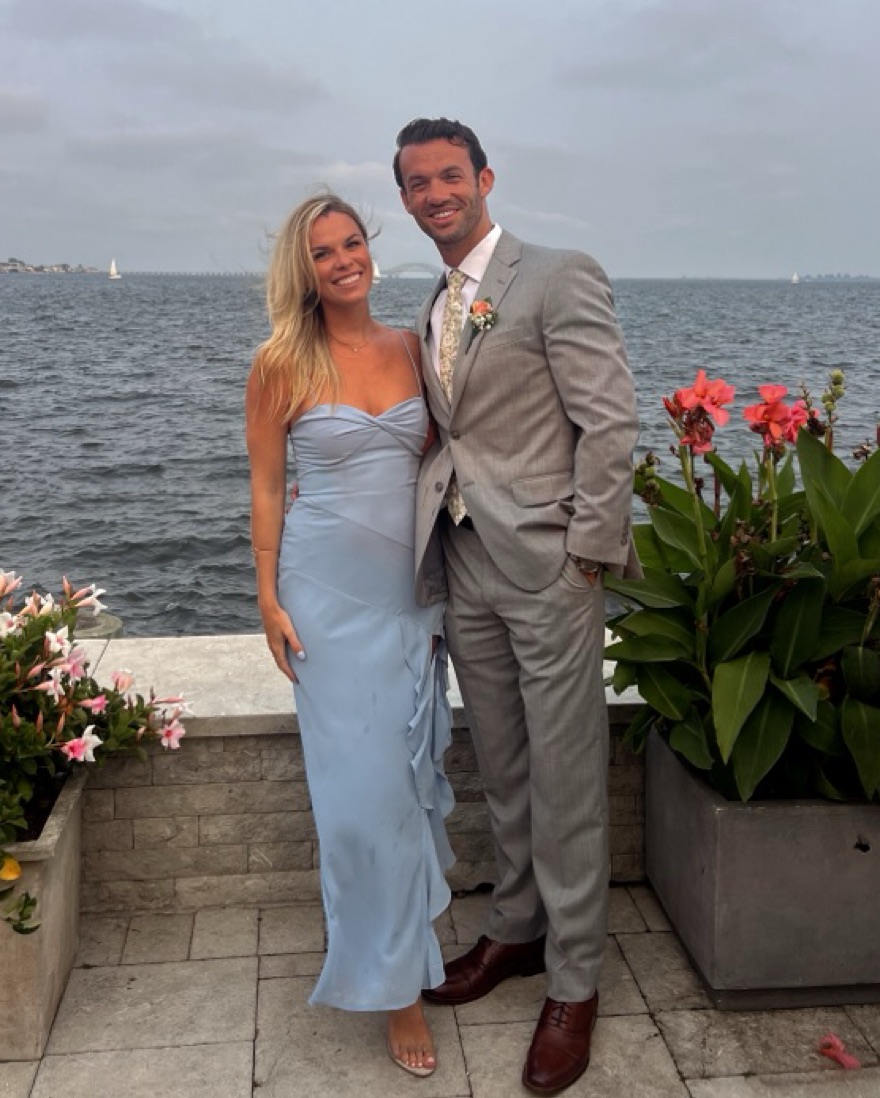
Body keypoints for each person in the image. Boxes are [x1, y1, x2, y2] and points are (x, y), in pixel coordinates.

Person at [393, 118, 641, 1096]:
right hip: (465, 561)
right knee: (502, 765)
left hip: (547, 570)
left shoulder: (556, 276)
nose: (436, 193)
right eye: (417, 183)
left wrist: (586, 555)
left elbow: (608, 419)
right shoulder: (432, 305)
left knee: (567, 777)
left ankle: (574, 982)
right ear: (405, 199)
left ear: (484, 178)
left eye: (449, 175)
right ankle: (516, 930)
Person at [245, 193, 455, 1078]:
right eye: (323, 253)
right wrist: (266, 598)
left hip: (410, 599)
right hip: (324, 602)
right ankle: (396, 989)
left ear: (370, 248)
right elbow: (266, 487)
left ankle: (402, 957)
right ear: (304, 272)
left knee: (403, 792)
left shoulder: (412, 348)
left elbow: (446, 459)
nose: (343, 261)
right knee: (358, 806)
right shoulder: (280, 364)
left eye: (352, 243)